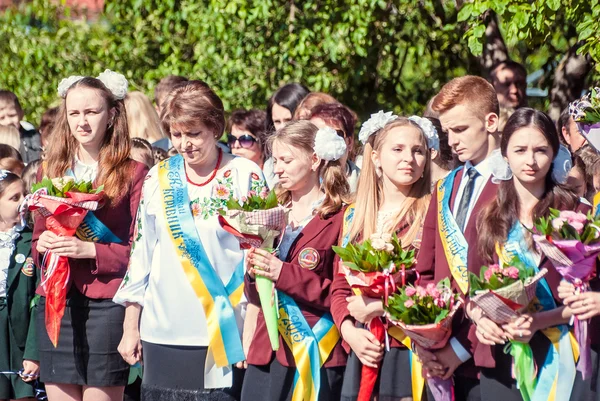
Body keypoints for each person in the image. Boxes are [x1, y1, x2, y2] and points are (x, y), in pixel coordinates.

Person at [114, 80, 266, 400]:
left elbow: (262, 256)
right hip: (162, 329)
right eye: (177, 134)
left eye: (194, 133)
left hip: (225, 333)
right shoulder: (158, 177)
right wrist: (130, 326)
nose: (185, 144)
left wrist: (252, 325)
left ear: (215, 128)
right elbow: (142, 253)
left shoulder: (245, 176)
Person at [32, 70, 148, 401]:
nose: (82, 122)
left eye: (91, 112)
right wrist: (45, 245)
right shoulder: (50, 171)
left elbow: (141, 251)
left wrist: (90, 251)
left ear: (112, 115)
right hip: (57, 302)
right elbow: (38, 239)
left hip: (108, 305)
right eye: (74, 113)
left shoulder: (133, 173)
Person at [471, 108, 581, 400]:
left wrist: (538, 322)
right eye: (520, 150)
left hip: (563, 354)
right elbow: (470, 289)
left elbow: (590, 296)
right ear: (505, 153)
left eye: (541, 150)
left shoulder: (577, 213)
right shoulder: (486, 217)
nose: (531, 161)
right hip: (501, 358)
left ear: (555, 152)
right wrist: (480, 320)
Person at [241, 120, 350, 401]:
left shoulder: (342, 217)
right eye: (275, 160)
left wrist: (282, 273)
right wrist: (254, 274)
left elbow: (341, 292)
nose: (277, 169)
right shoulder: (269, 209)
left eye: (286, 160)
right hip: (269, 349)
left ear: (315, 160)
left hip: (318, 347)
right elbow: (254, 296)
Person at [331, 113, 437, 401]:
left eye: (418, 151)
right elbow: (339, 284)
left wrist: (380, 307)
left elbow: (436, 285)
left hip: (409, 349)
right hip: (363, 345)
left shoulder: (433, 212)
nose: (409, 159)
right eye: (398, 149)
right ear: (376, 157)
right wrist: (348, 329)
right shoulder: (355, 214)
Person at [415, 75, 501, 400]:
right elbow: (426, 269)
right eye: (446, 130)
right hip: (439, 357)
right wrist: (425, 339)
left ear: (490, 121)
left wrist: (459, 350)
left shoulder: (513, 185)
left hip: (491, 357)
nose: (451, 141)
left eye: (460, 129)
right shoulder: (445, 187)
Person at [0, 171, 39, 401]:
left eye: (25, 194)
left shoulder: (30, 240)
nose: (23, 201)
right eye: (14, 198)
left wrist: (34, 353)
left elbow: (38, 301)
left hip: (19, 336)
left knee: (22, 394)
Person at [309, 103, 361, 192]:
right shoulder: (296, 184)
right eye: (316, 135)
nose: (324, 143)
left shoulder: (367, 184)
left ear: (349, 142)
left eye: (334, 135)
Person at [0, 91, 43, 163]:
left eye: (12, 115)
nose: (8, 121)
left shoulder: (35, 138)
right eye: (2, 118)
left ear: (21, 114)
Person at [152, 75, 188, 151]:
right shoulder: (153, 151)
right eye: (166, 107)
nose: (174, 112)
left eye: (178, 105)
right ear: (158, 111)